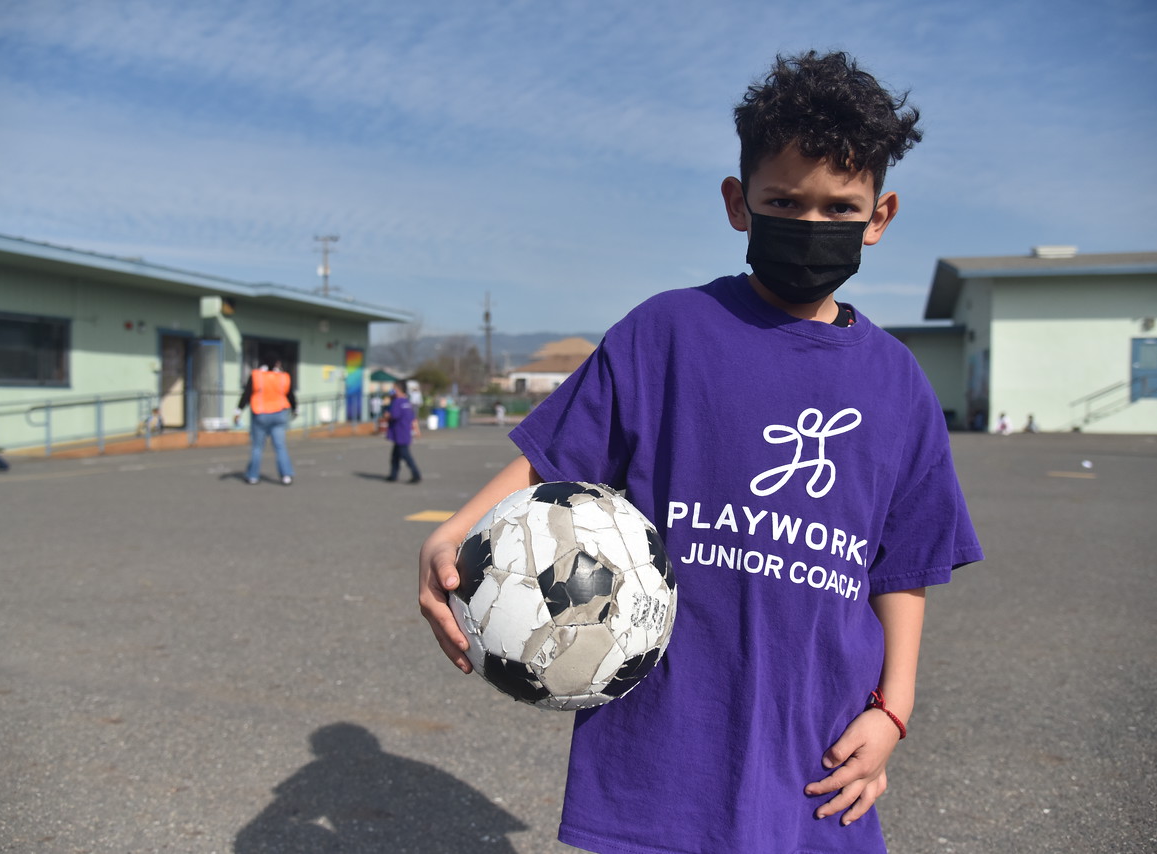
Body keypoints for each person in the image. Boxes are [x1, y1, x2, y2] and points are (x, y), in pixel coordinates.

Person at [419, 50, 983, 853]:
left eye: (839, 208)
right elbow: (553, 458)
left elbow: (901, 572)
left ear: (879, 215)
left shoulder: (900, 385)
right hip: (666, 744)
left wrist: (894, 709)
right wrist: (457, 529)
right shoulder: (668, 333)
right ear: (738, 202)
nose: (811, 226)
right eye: (784, 201)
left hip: (818, 749)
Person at [234, 354, 296, 485]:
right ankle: (286, 476)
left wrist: (238, 410)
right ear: (277, 363)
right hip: (279, 414)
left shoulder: (257, 375)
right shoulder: (283, 376)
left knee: (257, 447)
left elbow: (247, 394)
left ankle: (253, 476)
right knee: (280, 447)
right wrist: (295, 409)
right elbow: (290, 395)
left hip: (261, 414)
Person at [382, 381, 422, 483]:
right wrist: (417, 430)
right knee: (395, 456)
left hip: (399, 432)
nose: (392, 391)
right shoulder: (407, 402)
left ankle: (416, 474)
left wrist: (387, 415)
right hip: (405, 432)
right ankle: (393, 475)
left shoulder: (397, 402)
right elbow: (412, 418)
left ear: (398, 390)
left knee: (406, 455)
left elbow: (394, 415)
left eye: (394, 388)